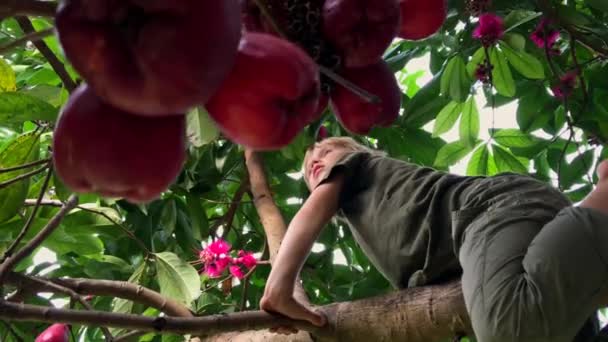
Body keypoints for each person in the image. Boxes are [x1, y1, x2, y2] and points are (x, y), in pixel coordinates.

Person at [259, 136, 608, 342]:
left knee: (509, 330)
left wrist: (280, 287)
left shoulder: (356, 166)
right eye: (308, 168)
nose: (316, 160)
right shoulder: (368, 217)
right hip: (499, 232)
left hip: (488, 210)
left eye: (326, 151)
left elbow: (310, 212)